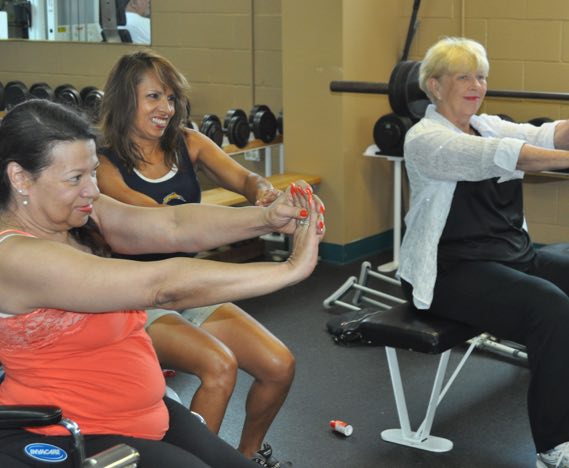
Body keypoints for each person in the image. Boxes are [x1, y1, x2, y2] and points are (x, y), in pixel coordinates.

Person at [0, 99, 324, 467]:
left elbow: (173, 226)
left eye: (92, 172)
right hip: (73, 433)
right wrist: (288, 270)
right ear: (21, 178)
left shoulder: (78, 214)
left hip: (145, 415)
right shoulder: (14, 257)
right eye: (75, 178)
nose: (92, 189)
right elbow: (161, 286)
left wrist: (265, 218)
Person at [95, 50, 318, 466]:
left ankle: (245, 458)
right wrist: (261, 219)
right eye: (154, 97)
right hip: (138, 297)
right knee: (219, 367)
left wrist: (265, 195)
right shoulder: (104, 165)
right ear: (127, 99)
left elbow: (244, 178)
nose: (167, 108)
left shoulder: (189, 142)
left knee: (278, 365)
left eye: (172, 98)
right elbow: (166, 222)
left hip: (192, 286)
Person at [397, 36, 569, 468]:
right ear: (434, 86)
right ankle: (554, 445)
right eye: (464, 77)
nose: (476, 85)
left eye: (482, 77)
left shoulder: (487, 123)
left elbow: (547, 134)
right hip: (451, 270)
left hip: (511, 255)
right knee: (550, 307)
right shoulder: (426, 138)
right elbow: (502, 156)